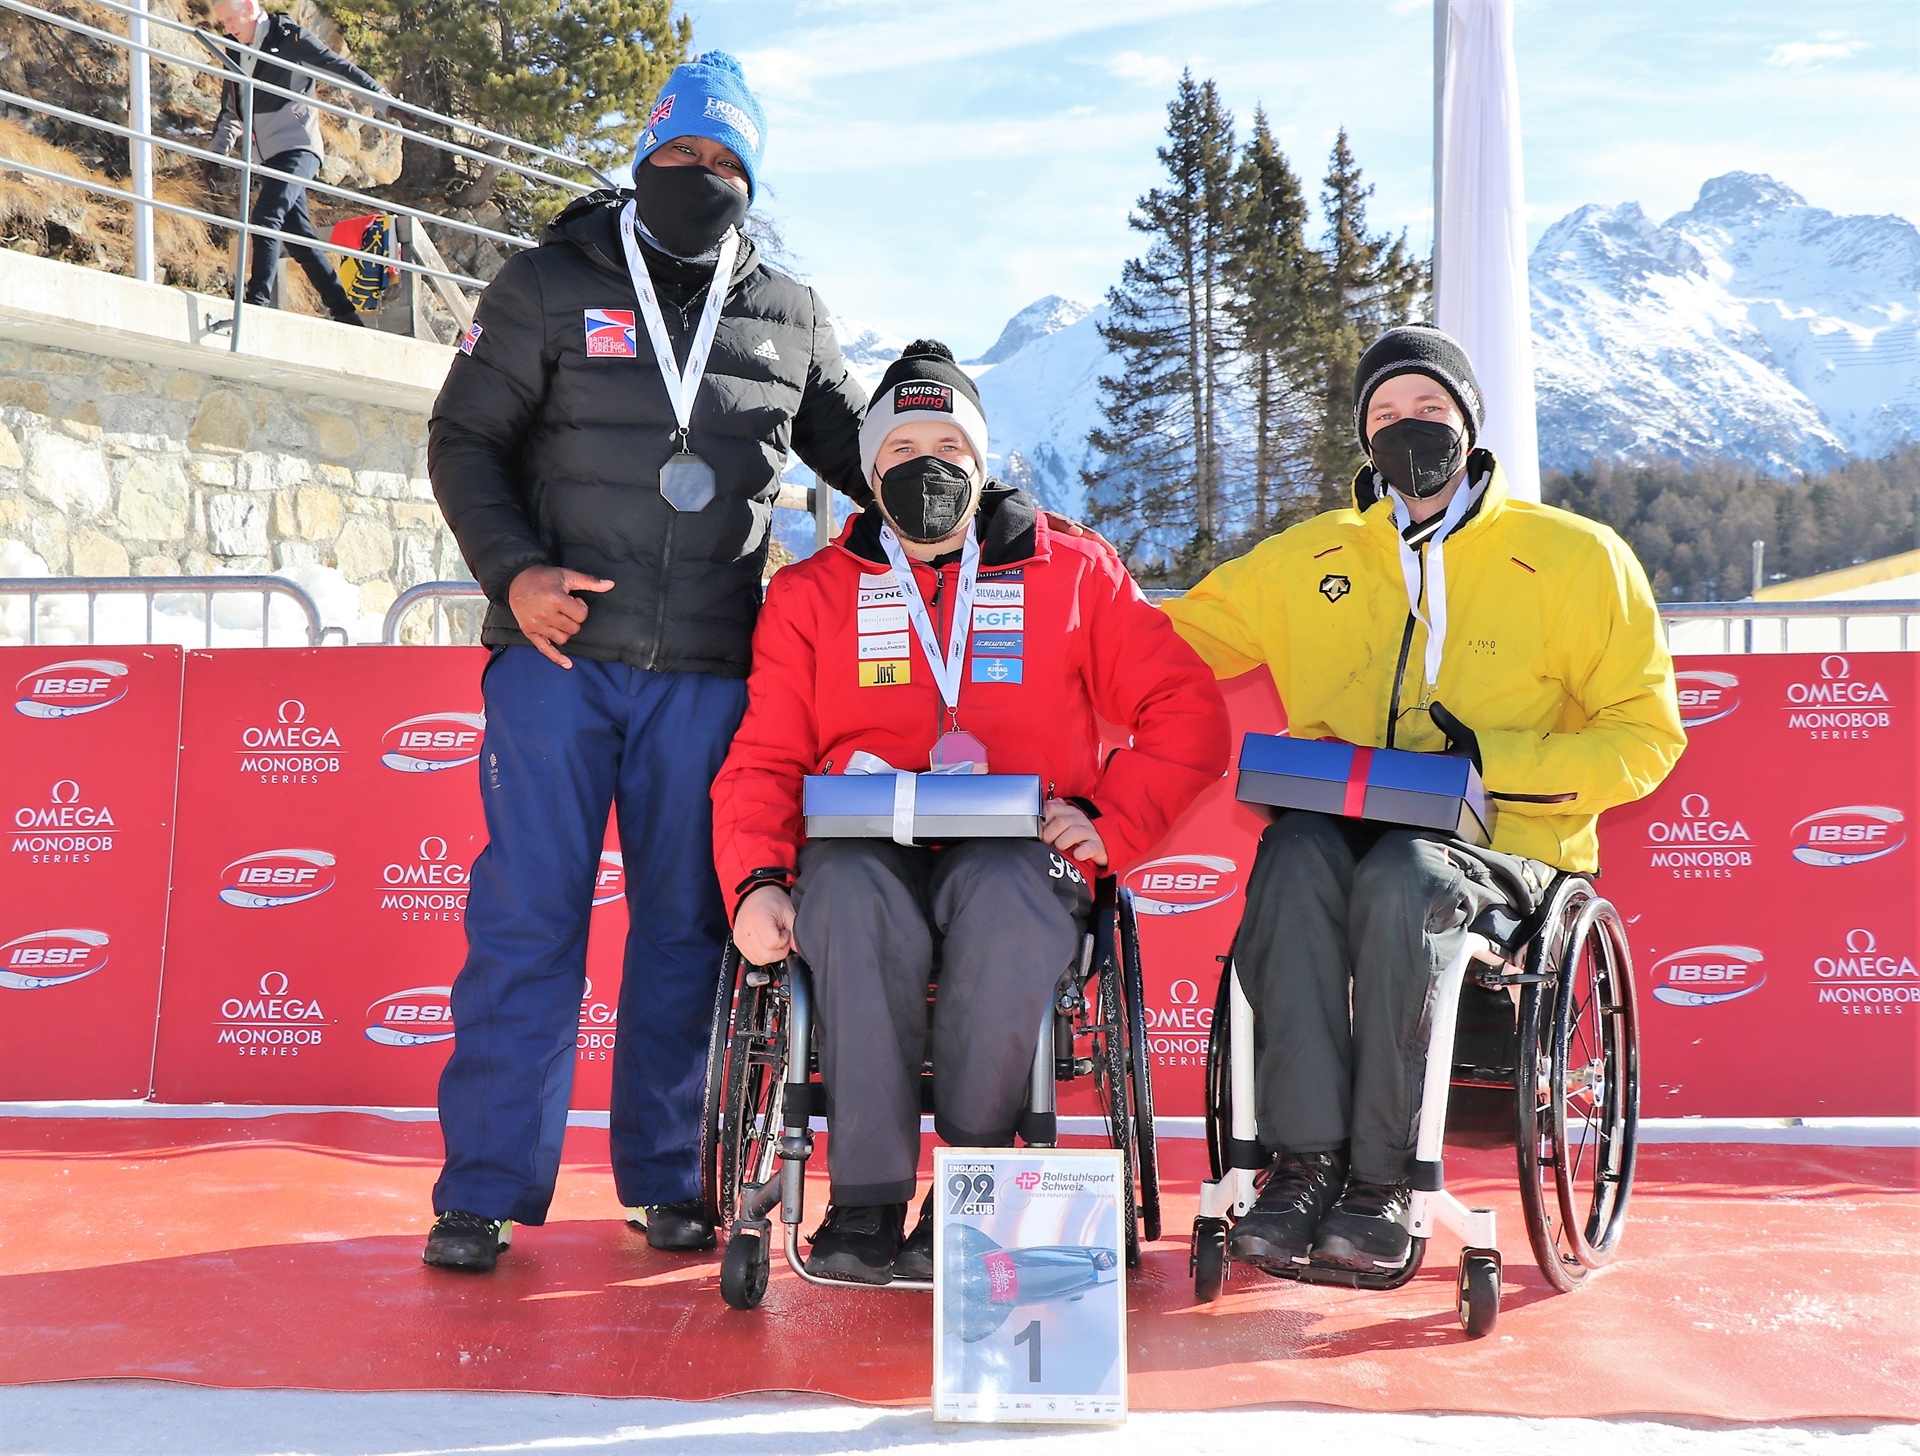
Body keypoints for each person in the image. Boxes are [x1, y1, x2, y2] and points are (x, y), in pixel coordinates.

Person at [421, 51, 871, 1273]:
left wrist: (964, 489)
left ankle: (671, 1175)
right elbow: (464, 435)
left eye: (727, 162)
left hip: (712, 675)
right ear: (643, 159)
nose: (702, 177)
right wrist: (512, 570)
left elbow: (868, 461)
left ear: (752, 175)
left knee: (685, 927)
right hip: (558, 661)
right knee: (528, 919)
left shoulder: (790, 313)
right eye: (682, 156)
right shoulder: (548, 280)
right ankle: (485, 1187)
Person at [1163, 325, 1684, 1275]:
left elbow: (1648, 739)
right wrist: (1054, 574)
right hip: (1350, 826)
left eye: (1429, 410)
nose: (1409, 431)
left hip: (1510, 846)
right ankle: (1305, 1167)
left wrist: (1497, 761)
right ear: (1364, 439)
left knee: (1408, 874)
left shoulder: (1576, 558)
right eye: (1386, 415)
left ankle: (1385, 1180)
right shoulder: (1309, 558)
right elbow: (1162, 642)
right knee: (1290, 857)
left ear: (1470, 425)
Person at [712, 341, 1230, 1284]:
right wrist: (753, 880)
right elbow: (764, 760)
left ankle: (974, 1187)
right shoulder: (812, 595)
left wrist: (1110, 822)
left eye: (950, 443)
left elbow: (1189, 716)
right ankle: (865, 1206)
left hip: (1018, 849)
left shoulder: (1070, 573)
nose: (929, 467)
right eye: (902, 450)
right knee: (852, 899)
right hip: (864, 844)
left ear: (983, 462)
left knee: (1005, 891)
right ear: (870, 474)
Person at [207, 0, 388, 325]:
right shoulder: (233, 49)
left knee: (265, 218)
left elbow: (339, 67)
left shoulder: (288, 37)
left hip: (299, 148)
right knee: (299, 238)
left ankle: (255, 305)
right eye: (224, 23)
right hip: (268, 158)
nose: (229, 28)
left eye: (232, 19)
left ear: (249, 7)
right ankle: (346, 315)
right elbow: (232, 109)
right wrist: (216, 155)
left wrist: (384, 103)